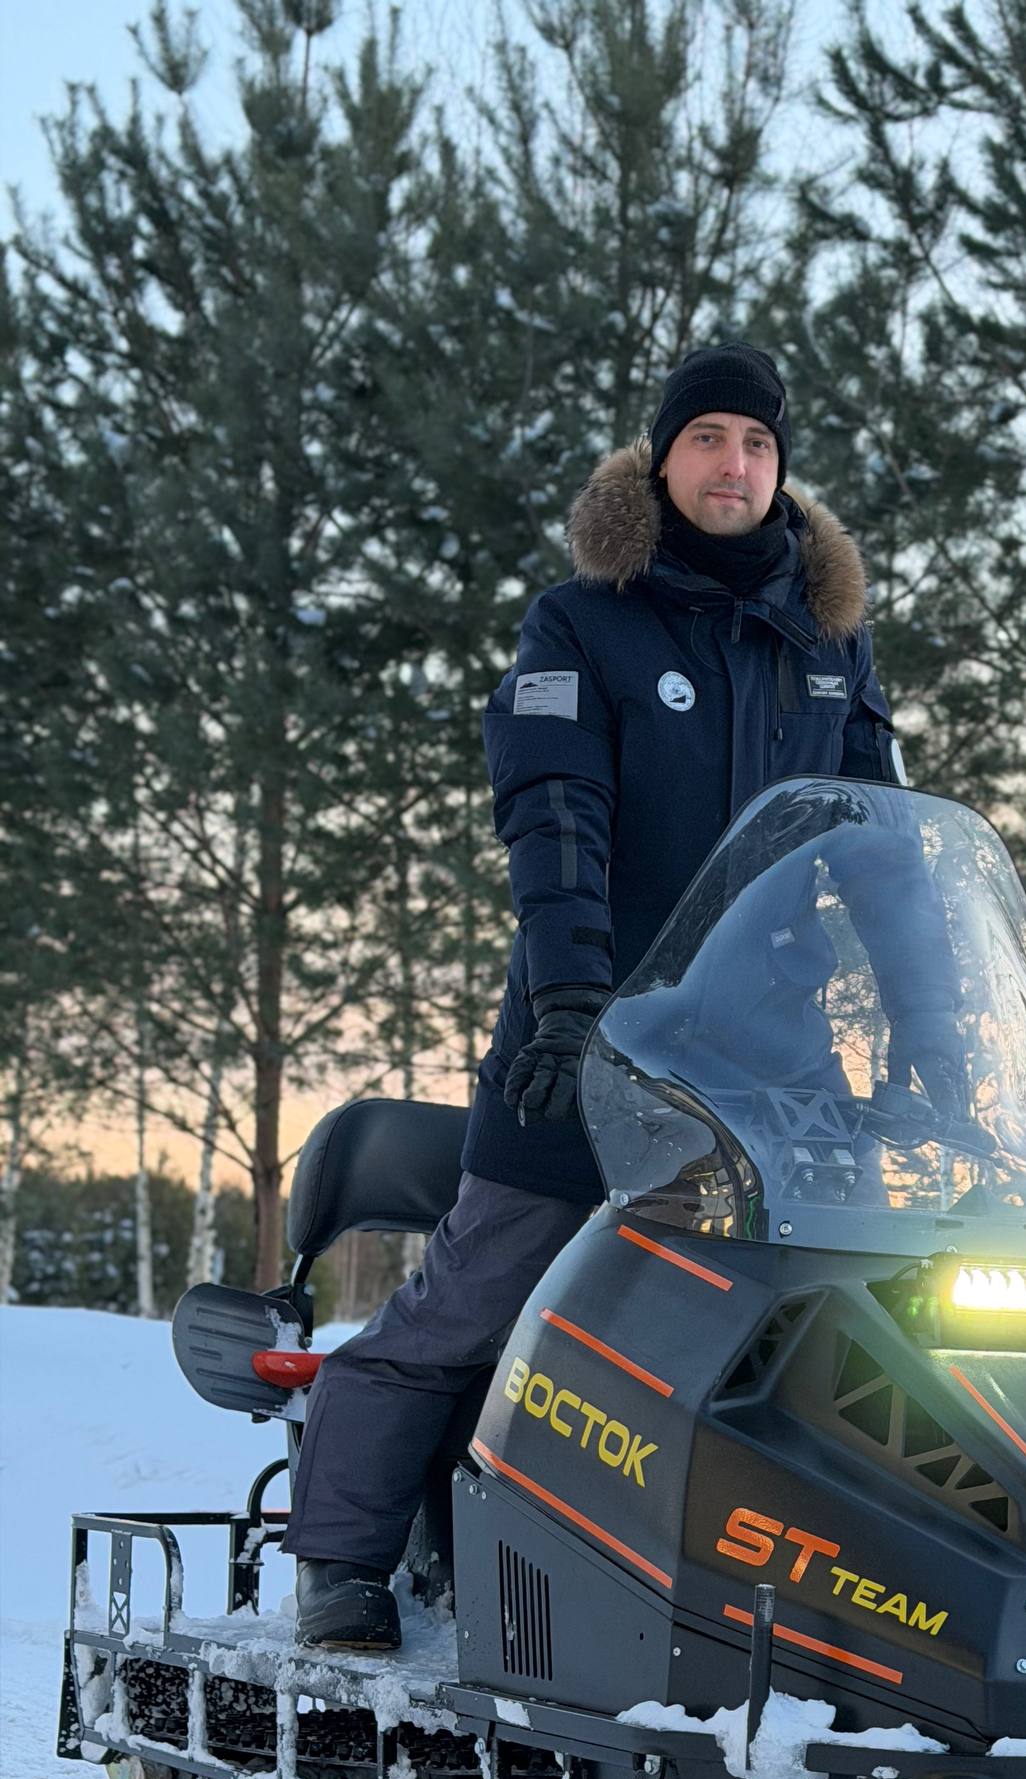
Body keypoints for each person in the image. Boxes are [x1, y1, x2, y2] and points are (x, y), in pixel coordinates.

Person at [284, 344, 911, 1650]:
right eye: (708, 439)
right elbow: (556, 816)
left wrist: (927, 1036)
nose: (734, 464)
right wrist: (572, 1000)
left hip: (769, 1069)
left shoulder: (831, 642)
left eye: (757, 443)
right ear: (663, 461)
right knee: (479, 1299)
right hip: (584, 1040)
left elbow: (885, 855)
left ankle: (798, 1598)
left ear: (780, 468)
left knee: (815, 1331)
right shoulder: (583, 622)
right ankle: (342, 1558)